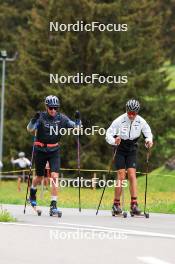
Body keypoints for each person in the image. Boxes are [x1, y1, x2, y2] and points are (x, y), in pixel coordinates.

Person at [27, 95, 79, 216]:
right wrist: (33, 120)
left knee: (55, 177)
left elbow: (77, 128)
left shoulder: (62, 118)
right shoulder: (41, 117)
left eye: (55, 108)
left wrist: (78, 120)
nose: (53, 110)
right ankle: (32, 192)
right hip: (40, 149)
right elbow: (30, 129)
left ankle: (53, 206)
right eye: (51, 108)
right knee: (39, 177)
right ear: (46, 107)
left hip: (54, 150)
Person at [106, 99, 153, 215]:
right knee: (121, 175)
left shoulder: (141, 121)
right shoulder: (119, 120)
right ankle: (116, 204)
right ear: (126, 111)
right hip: (120, 148)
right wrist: (113, 141)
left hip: (132, 148)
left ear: (137, 112)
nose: (131, 115)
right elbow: (108, 134)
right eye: (129, 112)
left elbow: (148, 133)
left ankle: (134, 204)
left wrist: (148, 140)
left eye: (134, 113)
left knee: (132, 174)